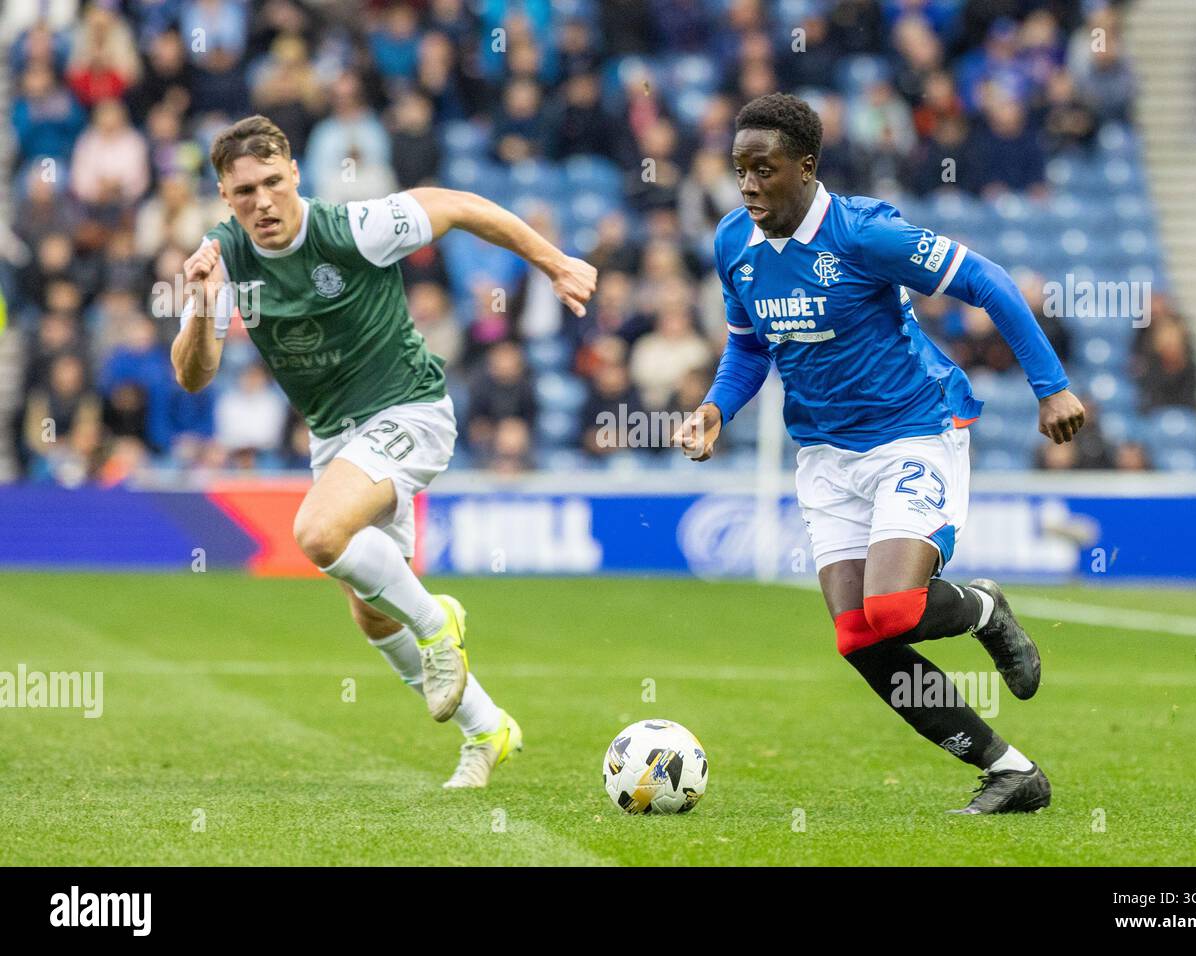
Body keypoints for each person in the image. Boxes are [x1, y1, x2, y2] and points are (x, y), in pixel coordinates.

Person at [675, 93, 1086, 814]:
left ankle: (985, 610)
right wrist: (715, 407)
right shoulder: (733, 242)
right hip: (825, 456)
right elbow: (747, 346)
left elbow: (986, 281)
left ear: (806, 167)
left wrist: (1051, 388)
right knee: (857, 636)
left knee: (892, 609)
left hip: (911, 434)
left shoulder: (866, 235)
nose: (746, 186)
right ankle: (1010, 772)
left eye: (762, 170)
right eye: (738, 170)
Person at [171, 115, 597, 788]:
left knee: (316, 530)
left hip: (410, 410)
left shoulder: (352, 228)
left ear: (295, 176)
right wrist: (200, 306)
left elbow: (457, 206)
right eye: (245, 190)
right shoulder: (222, 259)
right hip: (336, 434)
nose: (262, 202)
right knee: (371, 613)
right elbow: (193, 375)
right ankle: (488, 731)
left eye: (273, 182)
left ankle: (438, 621)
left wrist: (555, 262)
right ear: (225, 196)